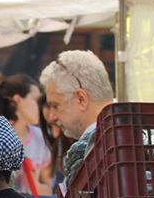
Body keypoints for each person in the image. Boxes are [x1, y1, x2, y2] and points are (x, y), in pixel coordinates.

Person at [39, 50, 114, 183]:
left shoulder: (90, 150)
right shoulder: (140, 131)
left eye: (55, 105)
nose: (52, 117)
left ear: (81, 99)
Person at [0, 73, 53, 197]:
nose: (41, 107)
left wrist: (34, 183)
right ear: (17, 99)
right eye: (36, 100)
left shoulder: (42, 138)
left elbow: (49, 189)